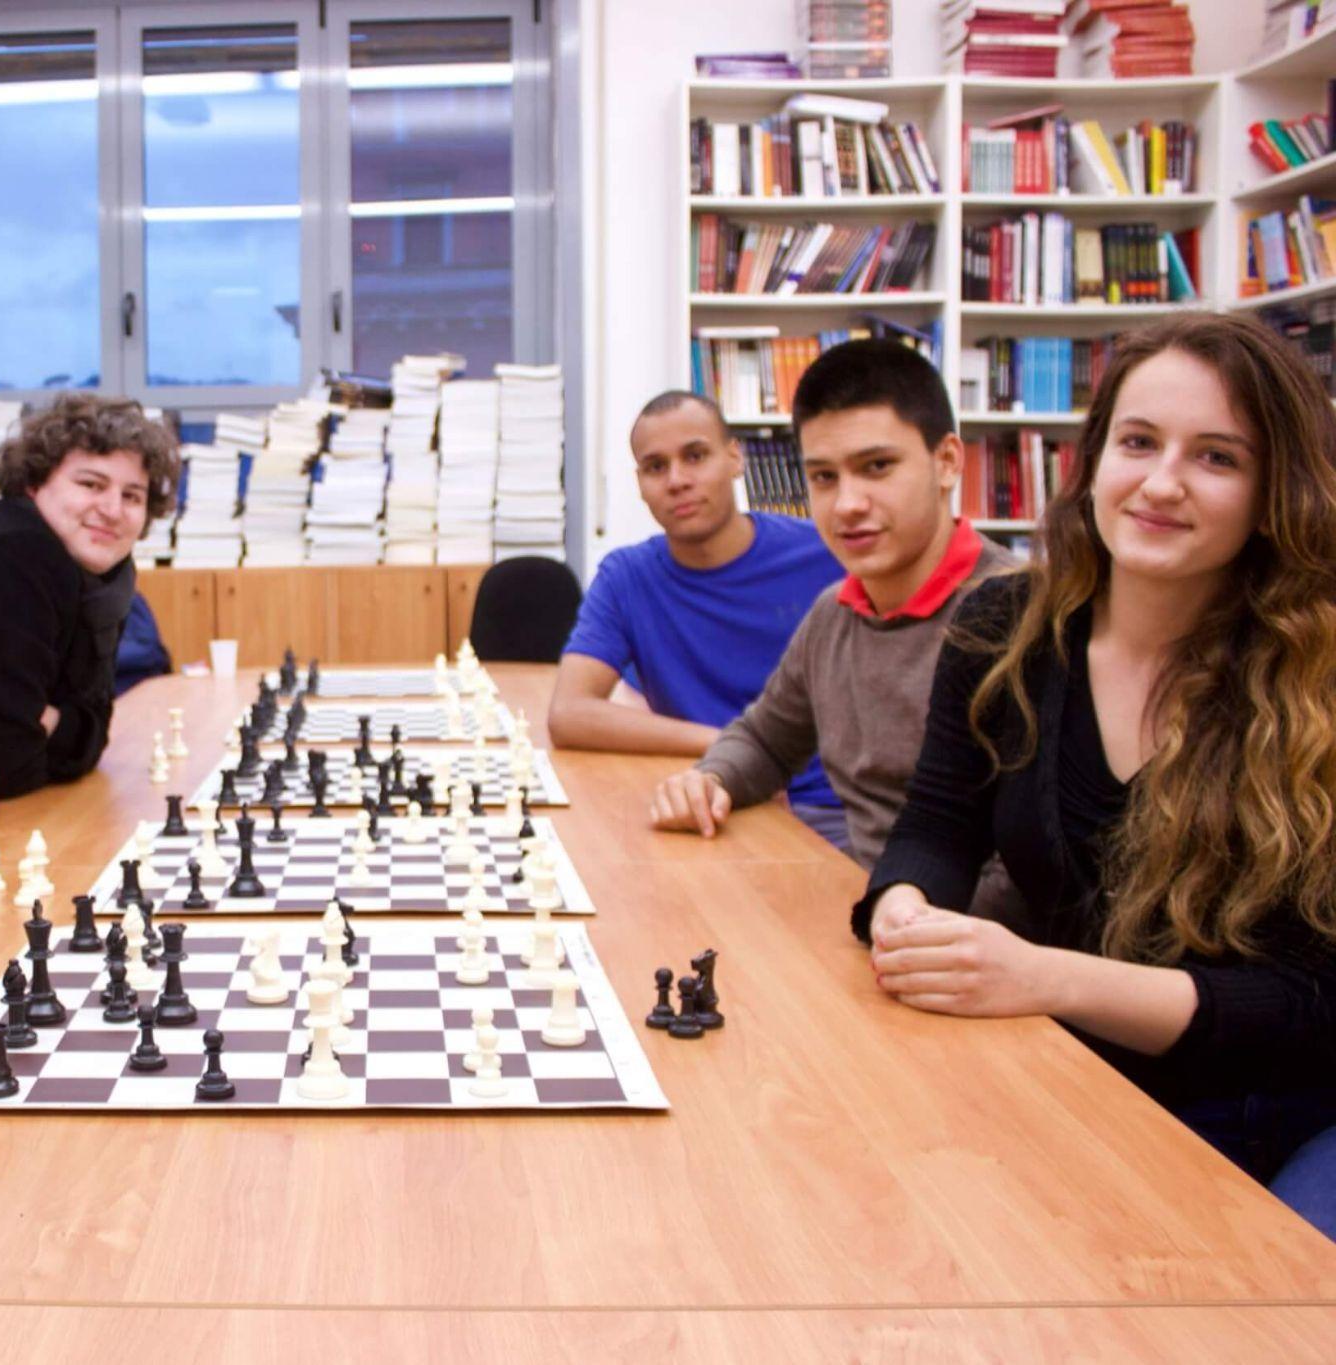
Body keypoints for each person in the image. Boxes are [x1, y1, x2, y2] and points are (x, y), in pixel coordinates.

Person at [859, 314, 1336, 1238]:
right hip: (1079, 1075)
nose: (1161, 484)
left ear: (1276, 490)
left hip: (1285, 1115)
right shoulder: (1005, 626)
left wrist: (1048, 979)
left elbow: (1314, 1006)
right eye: (1139, 442)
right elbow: (937, 826)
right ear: (1093, 459)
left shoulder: (1314, 678)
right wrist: (904, 910)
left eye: (1218, 458)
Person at [649, 340, 1020, 893]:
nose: (847, 503)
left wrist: (908, 933)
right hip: (871, 909)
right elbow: (766, 740)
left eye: (877, 467)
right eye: (824, 477)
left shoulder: (1021, 620)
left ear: (946, 462)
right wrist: (711, 778)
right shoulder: (835, 613)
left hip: (960, 944)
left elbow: (1030, 865)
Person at [548, 390, 844, 838]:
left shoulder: (825, 555)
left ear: (735, 458)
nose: (677, 480)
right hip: (708, 797)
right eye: (655, 466)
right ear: (640, 483)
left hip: (825, 808)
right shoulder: (627, 577)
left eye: (695, 456)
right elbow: (569, 713)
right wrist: (734, 747)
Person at [0, 394, 181, 798]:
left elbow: (95, 732)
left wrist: (55, 723)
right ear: (33, 483)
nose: (112, 510)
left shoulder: (105, 576)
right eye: (91, 484)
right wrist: (60, 725)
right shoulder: (13, 555)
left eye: (132, 496)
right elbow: (5, 761)